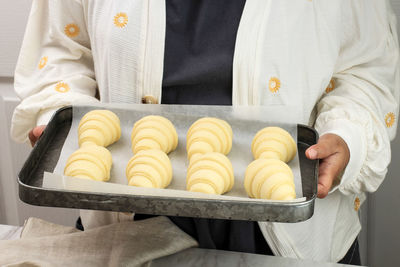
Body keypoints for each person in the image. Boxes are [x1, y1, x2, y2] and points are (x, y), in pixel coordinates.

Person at [11, 0, 399, 265]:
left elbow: (368, 70)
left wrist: (348, 134)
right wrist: (63, 122)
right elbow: (60, 49)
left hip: (289, 234)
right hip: (123, 220)